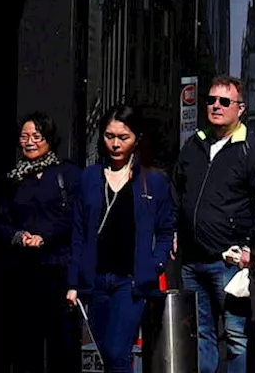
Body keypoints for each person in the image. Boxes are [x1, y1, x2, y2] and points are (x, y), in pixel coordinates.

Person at [171, 74, 255, 373]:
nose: (216, 106)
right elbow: (177, 190)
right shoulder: (194, 144)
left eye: (224, 101)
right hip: (191, 262)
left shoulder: (252, 150)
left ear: (240, 109)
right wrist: (176, 231)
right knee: (202, 335)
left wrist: (254, 251)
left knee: (237, 338)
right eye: (211, 100)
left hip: (229, 264)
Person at [66, 105, 175, 373]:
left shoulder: (153, 182)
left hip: (131, 282)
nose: (115, 144)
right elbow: (78, 233)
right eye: (109, 136)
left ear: (136, 138)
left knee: (118, 353)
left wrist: (155, 265)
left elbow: (165, 231)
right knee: (104, 354)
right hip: (96, 282)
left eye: (122, 137)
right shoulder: (89, 177)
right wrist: (73, 283)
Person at [0, 112, 82, 373]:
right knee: (25, 347)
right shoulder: (14, 178)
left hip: (58, 271)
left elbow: (77, 219)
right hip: (24, 273)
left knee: (63, 347)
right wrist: (19, 237)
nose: (30, 142)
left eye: (37, 136)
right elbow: (1, 222)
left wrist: (47, 236)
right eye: (25, 136)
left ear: (49, 139)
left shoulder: (67, 174)